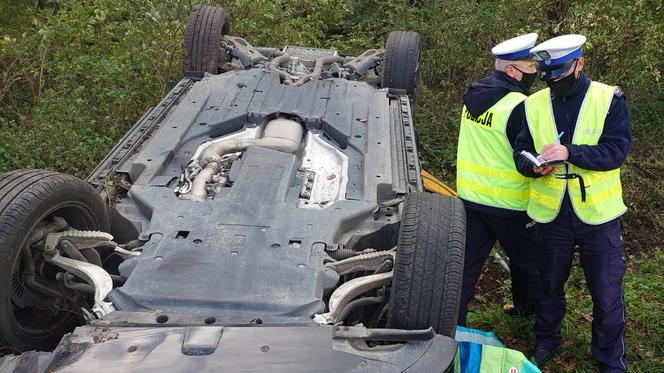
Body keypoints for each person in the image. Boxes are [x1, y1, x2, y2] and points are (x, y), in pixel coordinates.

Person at [513, 34, 631, 372]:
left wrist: (570, 154)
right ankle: (547, 340)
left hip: (598, 215)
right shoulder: (533, 104)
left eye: (561, 75)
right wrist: (534, 166)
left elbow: (616, 151)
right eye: (547, 77)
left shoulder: (608, 99)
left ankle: (609, 360)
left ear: (579, 64)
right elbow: (520, 152)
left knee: (607, 296)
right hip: (551, 217)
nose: (554, 83)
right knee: (548, 286)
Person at [456, 33, 541, 326]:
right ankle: (526, 315)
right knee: (528, 263)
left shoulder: (474, 96)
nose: (534, 73)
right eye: (529, 68)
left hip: (471, 200)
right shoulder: (519, 104)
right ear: (511, 70)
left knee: (465, 267)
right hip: (510, 204)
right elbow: (526, 154)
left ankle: (452, 323)